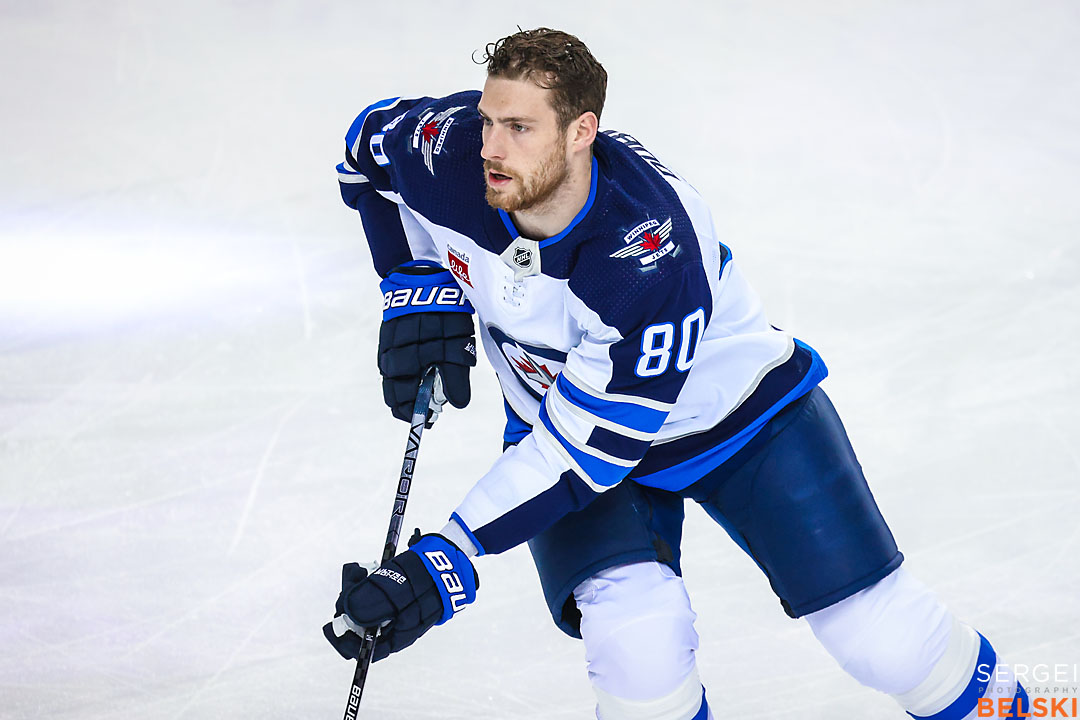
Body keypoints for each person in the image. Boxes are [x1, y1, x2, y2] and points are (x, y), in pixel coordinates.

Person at [324, 27, 1028, 720]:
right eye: (487, 120)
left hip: (739, 423)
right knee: (640, 667)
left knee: (889, 642)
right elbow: (363, 153)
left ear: (581, 132)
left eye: (520, 127)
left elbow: (587, 452)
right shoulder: (446, 151)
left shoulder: (645, 255)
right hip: (568, 422)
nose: (491, 149)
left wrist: (448, 558)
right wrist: (411, 278)